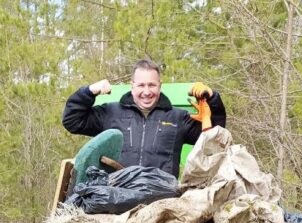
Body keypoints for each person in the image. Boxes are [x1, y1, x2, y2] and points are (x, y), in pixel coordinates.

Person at [62, 58, 226, 178]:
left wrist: (212, 99)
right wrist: (89, 91)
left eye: (152, 85)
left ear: (160, 86)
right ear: (132, 86)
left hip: (162, 199)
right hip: (117, 197)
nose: (146, 91)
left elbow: (214, 137)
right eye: (141, 85)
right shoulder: (110, 113)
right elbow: (72, 120)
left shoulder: (178, 117)